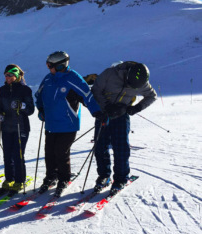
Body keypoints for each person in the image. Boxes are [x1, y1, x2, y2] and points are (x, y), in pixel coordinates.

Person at [35, 51, 106, 197]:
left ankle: (63, 179)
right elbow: (39, 95)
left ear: (60, 66)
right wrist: (41, 109)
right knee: (49, 153)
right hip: (50, 124)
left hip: (67, 124)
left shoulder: (73, 78)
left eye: (50, 66)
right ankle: (51, 177)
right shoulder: (48, 78)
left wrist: (97, 112)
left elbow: (87, 96)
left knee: (61, 152)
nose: (48, 68)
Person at [91, 61, 156, 194]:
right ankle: (104, 176)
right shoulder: (110, 74)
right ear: (127, 75)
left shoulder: (141, 81)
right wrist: (106, 107)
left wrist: (136, 108)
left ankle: (120, 178)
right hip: (104, 115)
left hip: (121, 117)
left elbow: (151, 95)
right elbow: (95, 90)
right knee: (100, 147)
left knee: (121, 149)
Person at [0, 64, 34, 194]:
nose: (8, 77)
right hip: (6, 127)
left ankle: (19, 180)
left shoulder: (25, 90)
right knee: (7, 155)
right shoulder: (2, 90)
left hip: (21, 126)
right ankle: (9, 179)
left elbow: (30, 110)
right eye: (6, 75)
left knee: (18, 155)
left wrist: (21, 105)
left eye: (10, 75)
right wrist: (0, 115)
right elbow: (0, 107)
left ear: (17, 75)